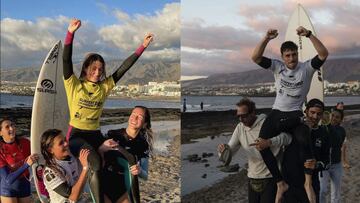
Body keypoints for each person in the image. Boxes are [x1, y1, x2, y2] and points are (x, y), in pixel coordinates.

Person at [63, 18, 153, 203]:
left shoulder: (104, 87)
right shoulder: (73, 84)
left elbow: (123, 69)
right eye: (93, 68)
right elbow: (66, 60)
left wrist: (142, 46)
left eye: (100, 69)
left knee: (129, 157)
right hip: (77, 136)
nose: (97, 72)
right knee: (95, 161)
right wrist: (70, 33)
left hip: (95, 135)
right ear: (86, 68)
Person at [251, 26, 328, 203]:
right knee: (260, 145)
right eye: (288, 55)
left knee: (303, 136)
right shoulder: (277, 67)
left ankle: (308, 182)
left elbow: (323, 54)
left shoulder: (307, 68)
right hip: (277, 113)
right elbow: (255, 57)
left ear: (297, 54)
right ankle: (280, 183)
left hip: (294, 114)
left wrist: (309, 35)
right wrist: (266, 38)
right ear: (282, 57)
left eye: (294, 54)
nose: (291, 58)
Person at [217, 98, 292, 203]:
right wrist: (222, 151)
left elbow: (287, 138)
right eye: (238, 116)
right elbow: (230, 150)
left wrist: (269, 142)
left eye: (244, 116)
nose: (241, 119)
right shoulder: (240, 128)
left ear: (253, 113)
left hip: (272, 177)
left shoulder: (267, 123)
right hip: (252, 177)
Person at [98, 106, 153, 203]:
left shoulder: (143, 144)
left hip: (125, 188)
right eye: (133, 114)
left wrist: (139, 171)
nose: (135, 118)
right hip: (105, 185)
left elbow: (145, 176)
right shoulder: (112, 135)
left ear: (144, 123)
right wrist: (101, 147)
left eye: (140, 117)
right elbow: (98, 157)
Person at [281, 99, 330, 203]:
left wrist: (316, 165)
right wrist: (300, 120)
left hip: (312, 184)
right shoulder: (294, 127)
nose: (315, 117)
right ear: (306, 111)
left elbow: (327, 162)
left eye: (319, 114)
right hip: (290, 183)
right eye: (312, 112)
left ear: (322, 115)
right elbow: (278, 125)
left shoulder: (324, 134)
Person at [41, 129, 90, 203]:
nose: (66, 144)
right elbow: (73, 197)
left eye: (65, 140)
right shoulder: (50, 172)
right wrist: (85, 169)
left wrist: (101, 149)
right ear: (50, 150)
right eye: (61, 143)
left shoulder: (74, 155)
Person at [0, 118, 39, 203]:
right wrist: (26, 165)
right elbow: (8, 179)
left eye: (12, 125)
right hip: (8, 189)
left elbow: (38, 156)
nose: (11, 128)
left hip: (24, 186)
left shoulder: (25, 143)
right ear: (0, 133)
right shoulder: (0, 149)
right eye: (7, 127)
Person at [319, 109, 349, 203]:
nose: (334, 118)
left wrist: (328, 125)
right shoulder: (322, 128)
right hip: (324, 166)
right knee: (322, 191)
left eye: (337, 117)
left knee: (336, 193)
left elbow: (337, 140)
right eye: (333, 115)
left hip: (337, 165)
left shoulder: (341, 130)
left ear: (341, 120)